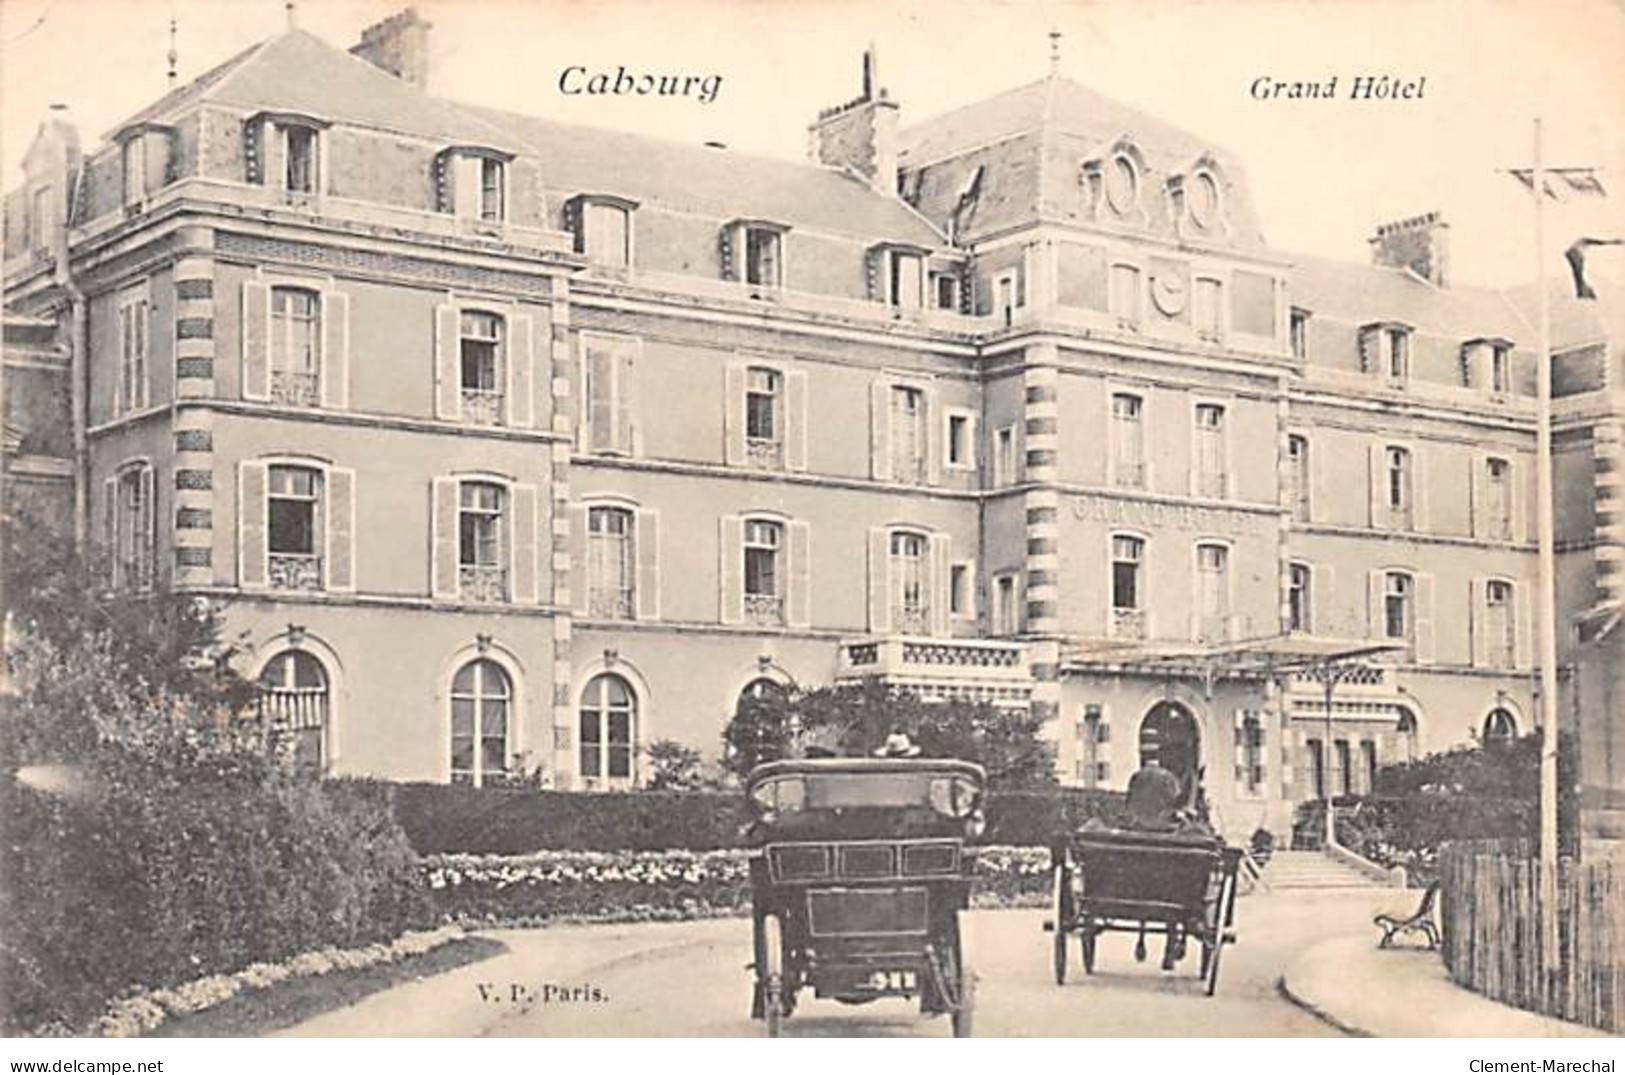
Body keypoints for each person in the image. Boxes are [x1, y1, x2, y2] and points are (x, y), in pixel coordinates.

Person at [1124, 733, 1184, 831]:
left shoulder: (1136, 778)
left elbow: (1129, 804)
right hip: (1163, 827)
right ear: (1159, 756)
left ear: (1142, 756)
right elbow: (1176, 802)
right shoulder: (1168, 778)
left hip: (1140, 827)